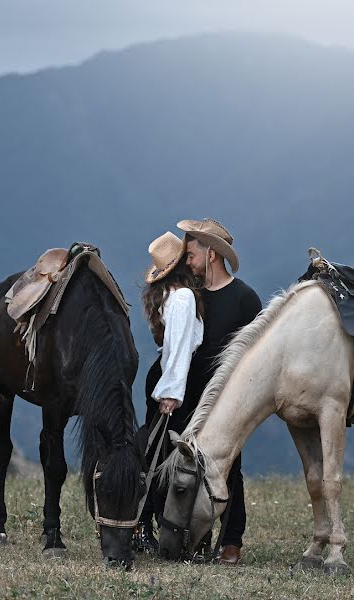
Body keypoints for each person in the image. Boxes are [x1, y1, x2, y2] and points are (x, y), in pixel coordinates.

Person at [177, 217, 262, 566]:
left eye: (192, 253)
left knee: (229, 467)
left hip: (229, 400)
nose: (187, 260)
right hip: (191, 394)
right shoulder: (190, 296)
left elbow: (259, 356)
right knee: (187, 467)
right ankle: (195, 536)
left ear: (211, 254)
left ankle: (231, 541)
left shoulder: (244, 298)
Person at [134, 232, 204, 553]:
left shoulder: (167, 295)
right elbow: (177, 350)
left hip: (162, 376)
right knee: (163, 457)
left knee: (156, 453)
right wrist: (173, 391)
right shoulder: (184, 297)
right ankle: (150, 524)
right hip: (172, 380)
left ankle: (145, 525)